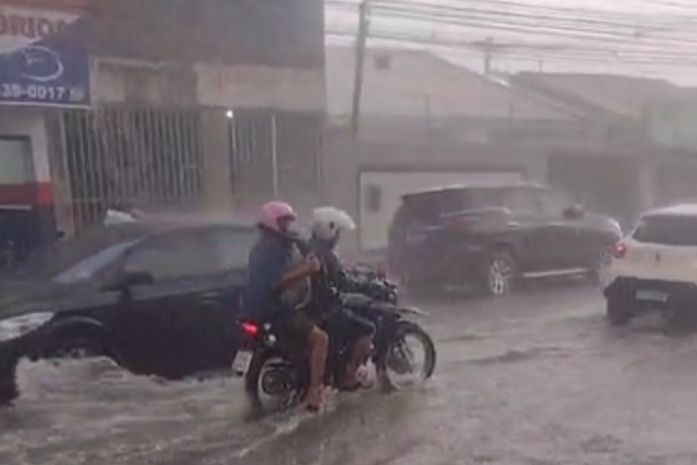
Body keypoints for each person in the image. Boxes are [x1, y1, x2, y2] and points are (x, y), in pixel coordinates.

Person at [242, 201, 328, 411]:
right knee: (321, 339)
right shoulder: (271, 248)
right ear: (272, 222)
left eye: (290, 222)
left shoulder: (272, 244)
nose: (289, 227)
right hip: (274, 310)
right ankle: (315, 393)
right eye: (284, 222)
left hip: (257, 308)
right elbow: (276, 282)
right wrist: (306, 270)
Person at [309, 207, 375, 391]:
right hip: (326, 309)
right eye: (337, 232)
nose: (338, 237)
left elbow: (339, 275)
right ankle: (349, 376)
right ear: (329, 231)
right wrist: (367, 286)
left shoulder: (313, 249)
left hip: (314, 307)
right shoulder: (326, 255)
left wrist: (355, 273)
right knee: (368, 329)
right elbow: (343, 282)